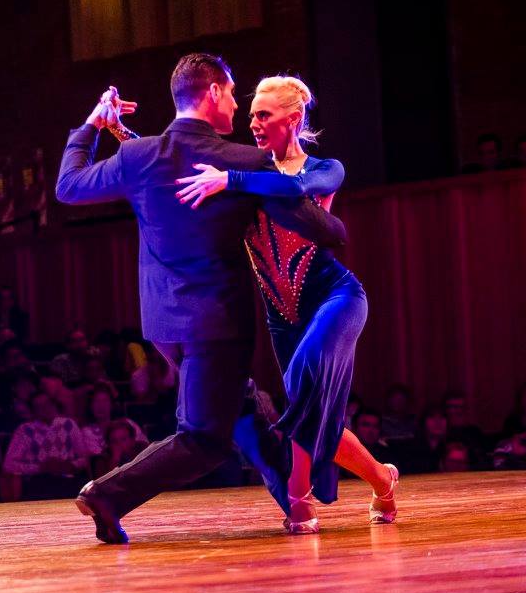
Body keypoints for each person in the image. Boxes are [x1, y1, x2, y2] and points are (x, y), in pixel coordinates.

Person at [56, 53, 346, 544]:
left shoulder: (138, 155)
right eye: (232, 94)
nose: (237, 106)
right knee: (205, 439)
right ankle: (106, 494)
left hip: (163, 324)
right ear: (213, 92)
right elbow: (321, 229)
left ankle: (296, 504)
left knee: (242, 404)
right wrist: (326, 216)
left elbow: (68, 186)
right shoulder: (244, 162)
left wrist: (92, 125)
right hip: (217, 324)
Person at [175, 74, 397, 533]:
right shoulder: (246, 171)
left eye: (264, 115)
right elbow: (172, 161)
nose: (253, 123)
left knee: (306, 377)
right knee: (315, 415)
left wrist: (230, 179)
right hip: (282, 315)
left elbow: (294, 189)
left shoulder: (324, 169)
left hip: (335, 297)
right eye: (252, 114)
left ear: (293, 119)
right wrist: (117, 131)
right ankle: (382, 480)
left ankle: (298, 498)